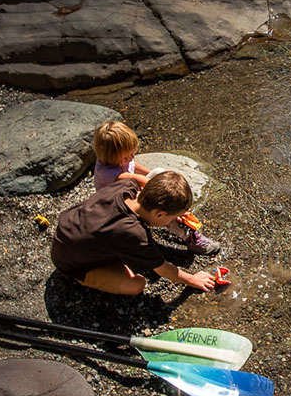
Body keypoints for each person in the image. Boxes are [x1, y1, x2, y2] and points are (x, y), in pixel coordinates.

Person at [51, 171, 215, 295]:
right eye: (171, 219)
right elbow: (163, 269)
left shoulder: (126, 187)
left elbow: (125, 176)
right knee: (136, 284)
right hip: (71, 263)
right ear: (159, 214)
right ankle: (82, 279)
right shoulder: (135, 234)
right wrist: (193, 279)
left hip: (67, 233)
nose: (170, 222)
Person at [92, 120, 221, 255]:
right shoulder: (108, 174)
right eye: (127, 156)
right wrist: (173, 199)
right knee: (164, 202)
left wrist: (155, 174)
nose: (131, 157)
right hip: (119, 208)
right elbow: (144, 182)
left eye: (132, 154)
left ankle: (176, 218)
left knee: (159, 173)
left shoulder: (116, 159)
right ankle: (188, 236)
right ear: (111, 156)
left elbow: (133, 165)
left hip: (130, 192)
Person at [92, 120, 152, 189]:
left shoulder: (117, 160)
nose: (132, 157)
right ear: (112, 159)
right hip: (113, 197)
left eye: (133, 153)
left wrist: (150, 172)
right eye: (126, 157)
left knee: (158, 172)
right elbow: (139, 180)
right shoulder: (107, 174)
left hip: (125, 187)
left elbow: (132, 166)